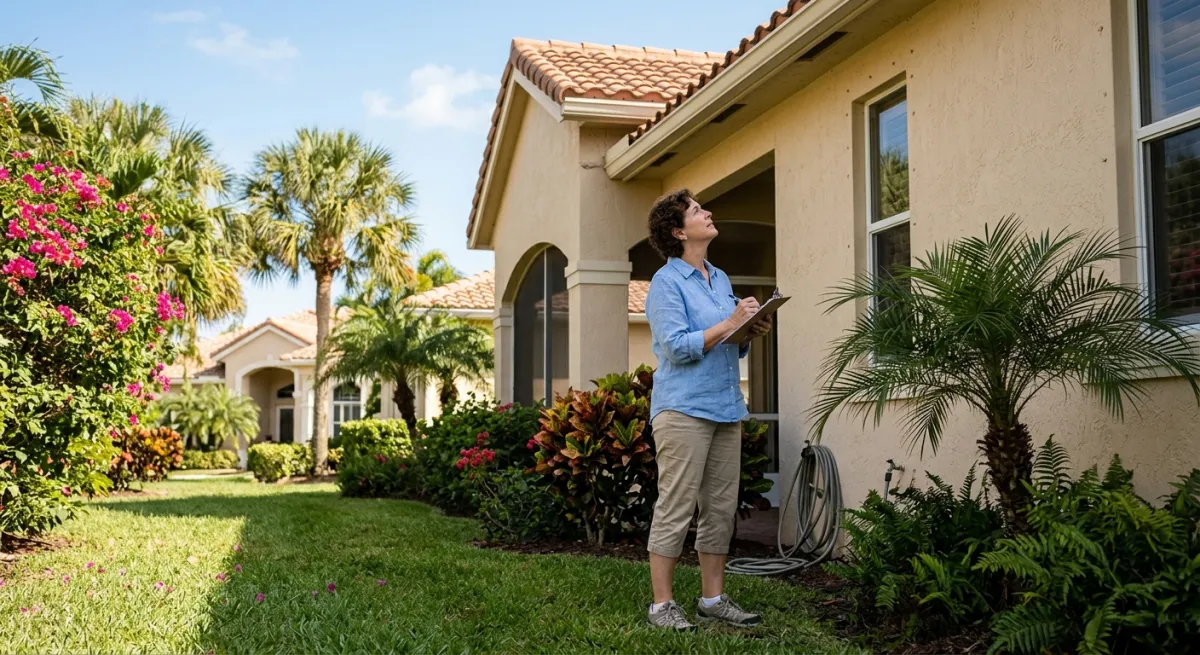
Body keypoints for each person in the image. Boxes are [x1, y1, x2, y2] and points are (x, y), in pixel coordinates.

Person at [642, 189, 772, 631]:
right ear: (678, 232)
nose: (708, 212)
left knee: (719, 509)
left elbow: (726, 346)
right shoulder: (666, 283)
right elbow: (677, 348)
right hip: (682, 410)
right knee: (676, 507)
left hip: (725, 407)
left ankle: (712, 599)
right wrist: (731, 322)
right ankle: (661, 606)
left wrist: (749, 330)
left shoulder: (719, 277)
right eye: (698, 211)